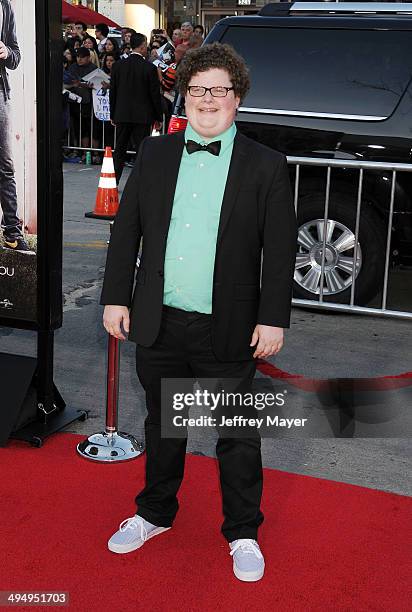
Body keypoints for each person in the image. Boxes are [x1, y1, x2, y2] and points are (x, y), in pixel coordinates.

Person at [100, 42, 298, 582]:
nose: (208, 99)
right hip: (158, 321)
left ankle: (243, 532)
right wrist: (116, 298)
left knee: (235, 433)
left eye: (219, 90)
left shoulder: (266, 165)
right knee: (164, 427)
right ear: (183, 96)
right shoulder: (157, 154)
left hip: (228, 326)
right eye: (197, 89)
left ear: (237, 98)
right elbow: (126, 236)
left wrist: (273, 317)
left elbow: (280, 253)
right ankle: (154, 514)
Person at [0, 0, 32, 252]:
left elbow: (16, 56)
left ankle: (12, 230)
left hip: (0, 94)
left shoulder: (5, 6)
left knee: (5, 165)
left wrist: (7, 52)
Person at [109, 32, 162, 183]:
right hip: (142, 116)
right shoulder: (149, 68)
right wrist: (158, 117)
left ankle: (114, 181)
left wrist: (112, 113)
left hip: (122, 114)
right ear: (143, 46)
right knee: (141, 150)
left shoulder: (118, 66)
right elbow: (154, 95)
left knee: (119, 149)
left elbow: (113, 92)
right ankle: (141, 182)